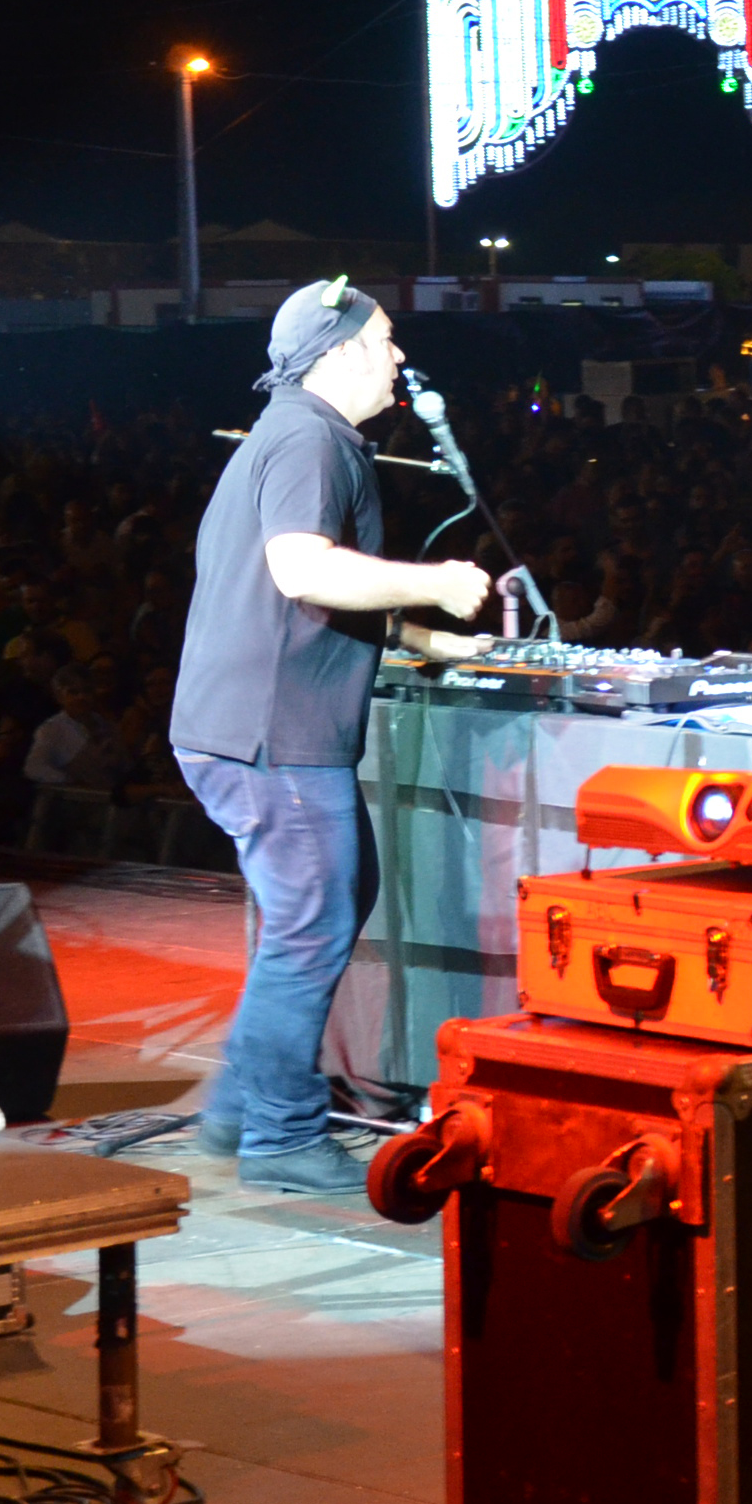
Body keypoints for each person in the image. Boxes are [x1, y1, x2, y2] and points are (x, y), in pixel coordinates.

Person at [172, 281, 491, 1190]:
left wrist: (435, 636)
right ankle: (279, 1136)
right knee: (313, 922)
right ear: (338, 350)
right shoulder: (309, 438)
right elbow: (302, 570)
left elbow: (310, 599)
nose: (399, 357)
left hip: (252, 725)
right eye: (386, 340)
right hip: (274, 733)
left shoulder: (299, 434)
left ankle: (244, 1106)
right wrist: (430, 580)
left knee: (329, 904)